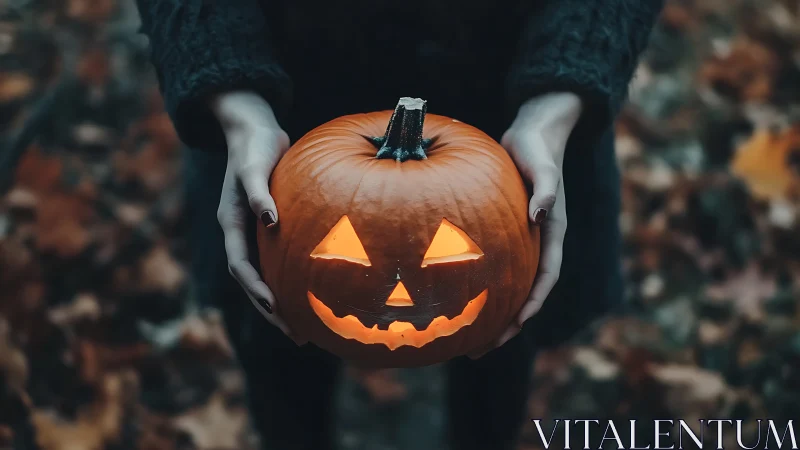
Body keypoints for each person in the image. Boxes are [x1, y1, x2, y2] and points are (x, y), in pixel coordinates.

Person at [135, 1, 664, 448]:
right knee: (277, 340)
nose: (400, 297)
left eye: (443, 253)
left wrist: (556, 104)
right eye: (350, 251)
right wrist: (234, 101)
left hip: (514, 119)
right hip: (275, 121)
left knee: (500, 332)